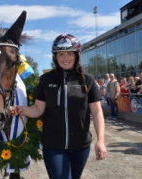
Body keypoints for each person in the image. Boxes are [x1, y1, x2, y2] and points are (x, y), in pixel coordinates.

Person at [13, 34, 107, 179]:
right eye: (61, 54)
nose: (65, 58)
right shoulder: (46, 79)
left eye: (69, 53)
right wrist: (21, 109)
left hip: (81, 146)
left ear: (76, 55)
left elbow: (97, 113)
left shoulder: (87, 80)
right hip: (53, 146)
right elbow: (38, 109)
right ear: (55, 57)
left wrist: (101, 140)